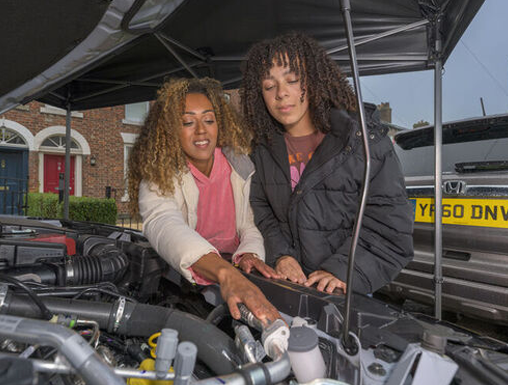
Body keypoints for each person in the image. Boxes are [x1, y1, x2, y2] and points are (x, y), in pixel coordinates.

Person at [241, 32, 413, 295]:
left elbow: (390, 229)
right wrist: (281, 256)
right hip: (284, 289)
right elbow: (261, 211)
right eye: (269, 86)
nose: (281, 93)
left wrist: (342, 270)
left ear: (314, 81)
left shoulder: (362, 141)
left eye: (292, 79)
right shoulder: (262, 151)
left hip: (343, 292)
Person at [128, 77, 281, 324]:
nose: (201, 130)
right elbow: (163, 222)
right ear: (169, 129)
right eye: (187, 122)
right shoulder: (159, 174)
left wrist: (250, 255)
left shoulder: (242, 166)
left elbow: (250, 224)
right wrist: (225, 273)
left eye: (209, 120)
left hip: (236, 271)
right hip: (191, 281)